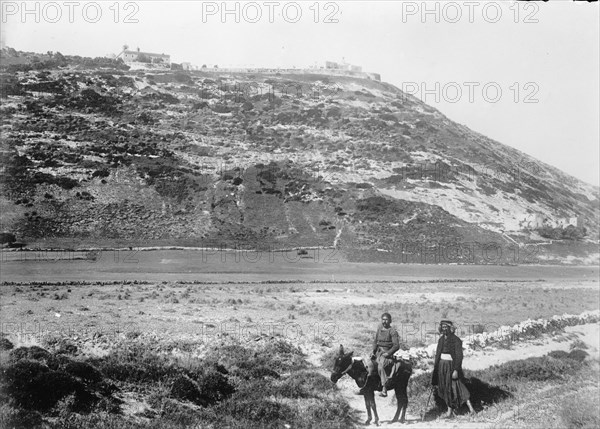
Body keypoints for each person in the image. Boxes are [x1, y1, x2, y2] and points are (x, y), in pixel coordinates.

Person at [431, 320, 475, 418]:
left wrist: (455, 370)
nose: (444, 329)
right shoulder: (441, 339)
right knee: (446, 387)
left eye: (446, 327)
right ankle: (449, 411)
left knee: (458, 385)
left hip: (451, 366)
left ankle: (471, 409)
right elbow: (438, 355)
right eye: (443, 327)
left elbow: (459, 356)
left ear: (451, 328)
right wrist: (436, 369)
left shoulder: (456, 340)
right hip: (442, 366)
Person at [363, 312, 400, 397]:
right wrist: (373, 351)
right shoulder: (379, 329)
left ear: (390, 321)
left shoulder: (393, 331)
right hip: (377, 352)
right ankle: (366, 386)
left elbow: (396, 346)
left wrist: (388, 353)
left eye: (386, 320)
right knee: (367, 364)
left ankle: (384, 388)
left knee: (381, 366)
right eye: (383, 319)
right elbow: (375, 342)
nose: (384, 321)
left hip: (386, 354)